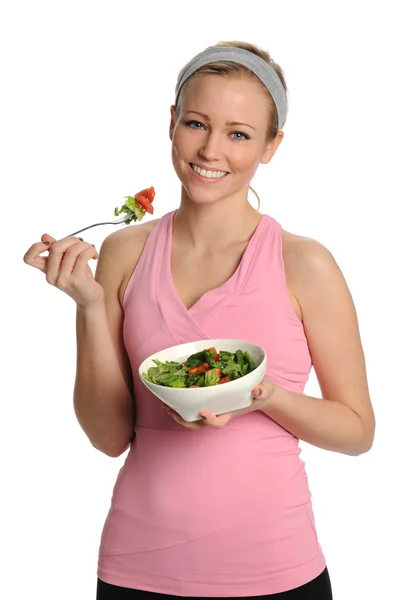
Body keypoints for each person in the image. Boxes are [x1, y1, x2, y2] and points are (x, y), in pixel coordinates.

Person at [23, 41, 375, 599]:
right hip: (137, 570)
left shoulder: (305, 264)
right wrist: (89, 308)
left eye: (239, 133)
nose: (212, 149)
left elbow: (359, 432)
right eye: (196, 123)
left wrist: (266, 397)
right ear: (171, 123)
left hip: (276, 573)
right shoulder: (124, 251)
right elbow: (108, 436)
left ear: (271, 145)